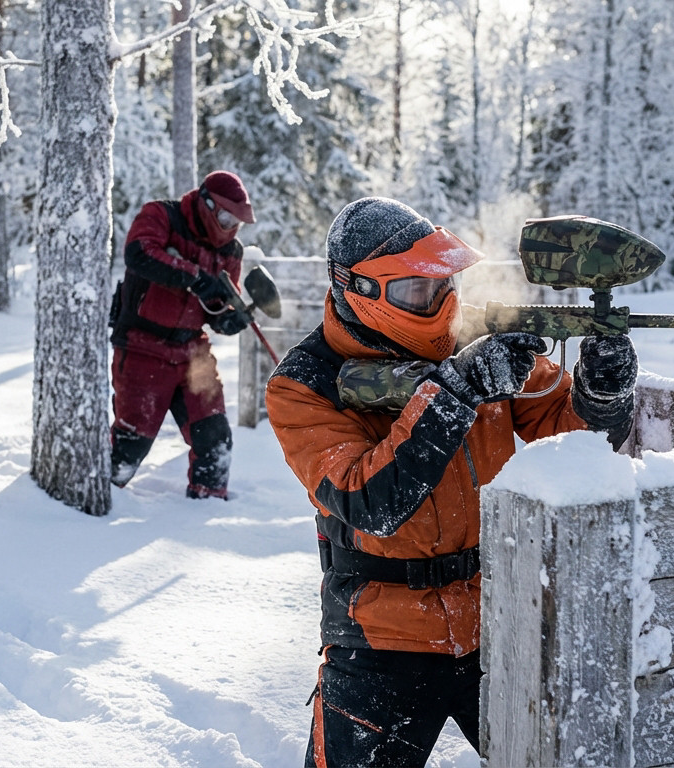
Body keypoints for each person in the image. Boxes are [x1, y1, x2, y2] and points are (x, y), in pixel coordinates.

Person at [264, 197, 637, 767]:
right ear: (358, 290)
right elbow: (370, 500)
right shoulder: (303, 385)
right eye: (417, 291)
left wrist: (601, 395)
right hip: (380, 637)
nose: (439, 304)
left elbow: (574, 438)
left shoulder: (477, 342)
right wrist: (456, 392)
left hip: (494, 617)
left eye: (443, 285)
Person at [108, 170, 257, 499]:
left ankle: (207, 509)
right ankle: (92, 509)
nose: (231, 225)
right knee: (131, 445)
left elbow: (215, 309)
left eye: (237, 220)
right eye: (226, 215)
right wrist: (193, 275)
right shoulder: (162, 215)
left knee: (215, 438)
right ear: (206, 204)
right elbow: (139, 252)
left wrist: (229, 320)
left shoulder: (231, 251)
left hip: (193, 353)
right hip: (142, 346)